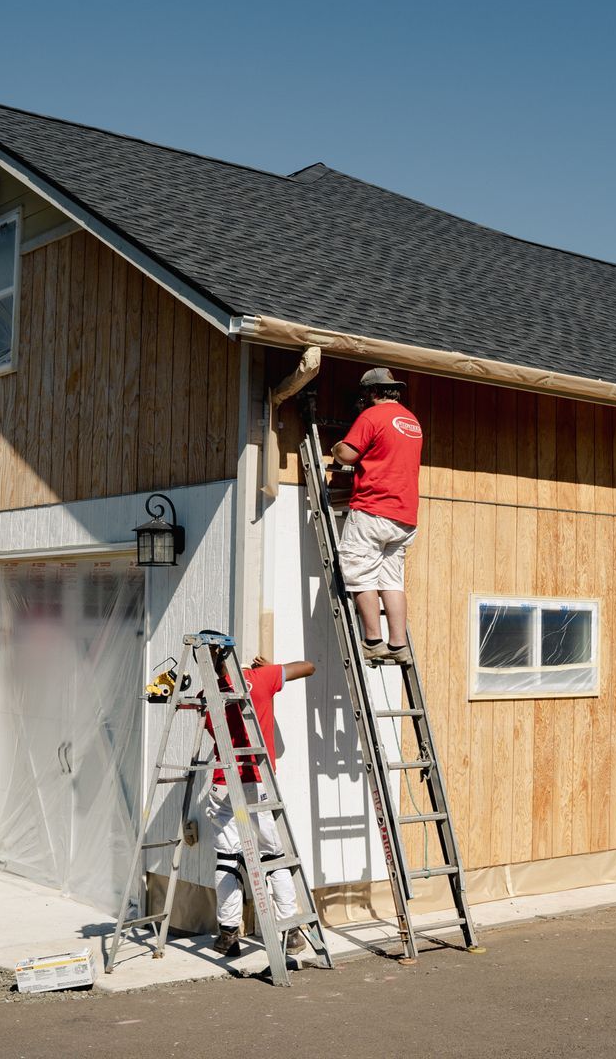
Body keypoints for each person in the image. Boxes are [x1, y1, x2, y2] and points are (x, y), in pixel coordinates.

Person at [207, 654, 317, 957]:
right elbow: (309, 667)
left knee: (227, 858)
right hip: (259, 782)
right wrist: (267, 669)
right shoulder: (261, 678)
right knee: (273, 855)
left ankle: (228, 934)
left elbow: (213, 730)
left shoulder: (211, 693)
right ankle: (291, 931)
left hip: (224, 783)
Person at [332, 367, 423, 666]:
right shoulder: (411, 421)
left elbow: (348, 454)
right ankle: (399, 644)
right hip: (404, 515)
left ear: (372, 392)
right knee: (392, 581)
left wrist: (336, 447)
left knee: (360, 575)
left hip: (373, 509)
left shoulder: (372, 416)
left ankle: (372, 641)